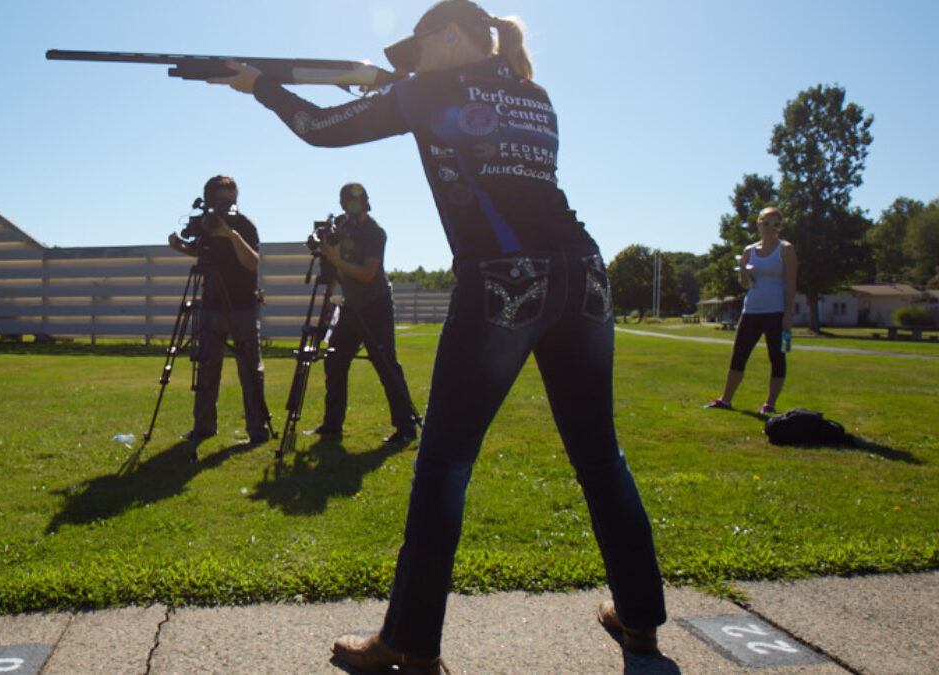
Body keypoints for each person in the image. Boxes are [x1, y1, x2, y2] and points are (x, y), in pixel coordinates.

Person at [207, 0, 666, 669]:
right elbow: (455, 114)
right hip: (585, 276)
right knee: (601, 458)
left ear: (450, 36)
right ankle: (641, 618)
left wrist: (262, 88)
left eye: (416, 49)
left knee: (446, 461)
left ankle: (409, 641)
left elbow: (318, 129)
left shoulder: (427, 91)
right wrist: (391, 89)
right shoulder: (533, 93)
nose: (411, 63)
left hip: (507, 278)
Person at [310, 182, 420, 444]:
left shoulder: (375, 232)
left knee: (385, 363)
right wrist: (329, 296)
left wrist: (335, 259)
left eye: (357, 201)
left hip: (376, 304)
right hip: (350, 305)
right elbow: (337, 269)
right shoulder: (340, 226)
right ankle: (332, 424)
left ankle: (405, 427)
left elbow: (368, 273)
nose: (352, 207)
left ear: (366, 202)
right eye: (348, 201)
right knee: (335, 361)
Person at [167, 175, 271, 445]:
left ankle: (257, 430)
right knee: (206, 368)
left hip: (243, 307)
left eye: (232, 199)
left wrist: (230, 234)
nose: (228, 205)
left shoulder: (244, 226)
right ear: (209, 200)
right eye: (221, 199)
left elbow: (251, 262)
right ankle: (203, 427)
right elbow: (204, 254)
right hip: (211, 305)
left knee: (250, 371)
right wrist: (181, 247)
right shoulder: (205, 226)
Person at [705, 206, 798, 415]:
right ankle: (726, 399)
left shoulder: (786, 249)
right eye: (766, 223)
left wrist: (788, 314)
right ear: (758, 224)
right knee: (739, 354)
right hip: (751, 311)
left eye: (775, 224)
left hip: (776, 312)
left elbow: (791, 284)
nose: (770, 228)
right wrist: (744, 272)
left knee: (777, 356)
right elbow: (745, 285)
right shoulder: (749, 251)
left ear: (779, 227)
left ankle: (770, 403)